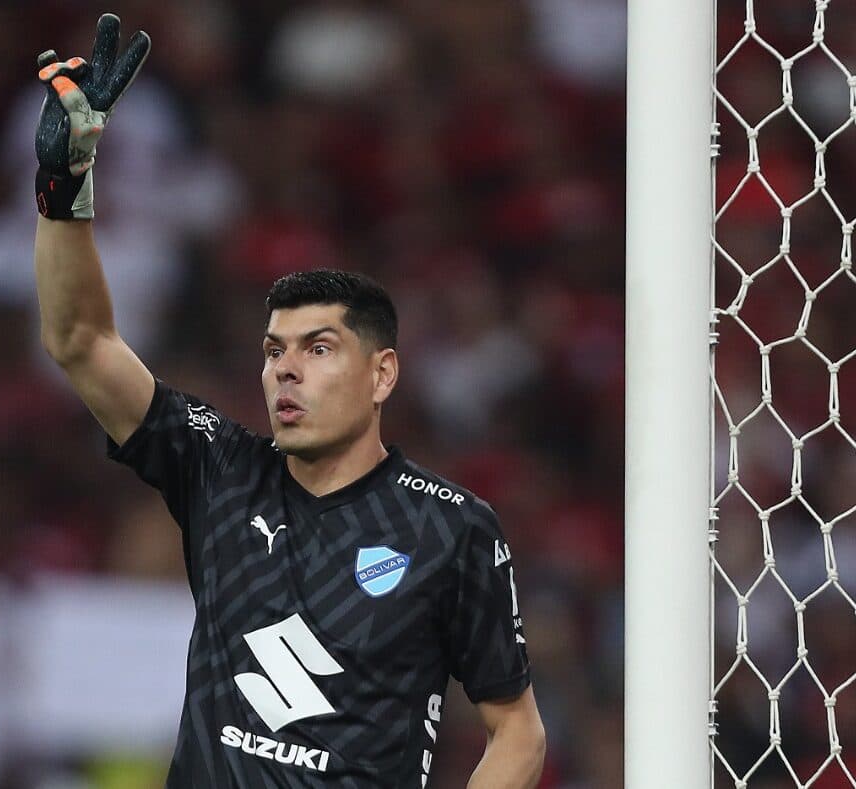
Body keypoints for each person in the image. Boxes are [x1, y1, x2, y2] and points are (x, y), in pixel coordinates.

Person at [32, 13, 545, 788]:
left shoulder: (451, 527)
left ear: (382, 376)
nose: (285, 372)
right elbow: (81, 341)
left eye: (319, 350)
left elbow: (516, 732)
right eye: (275, 351)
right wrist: (62, 188)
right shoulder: (221, 468)